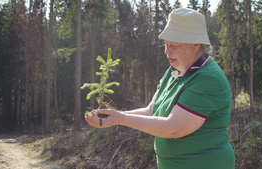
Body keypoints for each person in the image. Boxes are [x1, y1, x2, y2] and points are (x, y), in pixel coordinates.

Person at [85, 8, 235, 169]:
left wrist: (121, 119)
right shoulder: (175, 71)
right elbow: (152, 110)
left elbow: (173, 128)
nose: (166, 51)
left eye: (173, 45)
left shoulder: (208, 79)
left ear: (196, 44)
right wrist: (115, 117)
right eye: (165, 44)